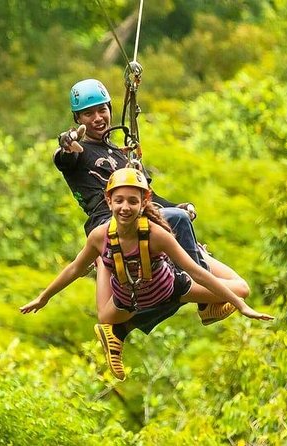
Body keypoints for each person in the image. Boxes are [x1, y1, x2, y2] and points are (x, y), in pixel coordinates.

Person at [20, 168, 274, 380]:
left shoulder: (157, 235)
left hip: (173, 289)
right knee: (104, 315)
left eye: (133, 201)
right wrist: (44, 297)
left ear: (145, 202)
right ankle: (105, 265)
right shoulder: (99, 236)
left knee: (241, 288)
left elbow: (195, 271)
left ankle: (203, 259)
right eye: (119, 201)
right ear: (108, 201)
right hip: (127, 302)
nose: (125, 207)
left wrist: (241, 306)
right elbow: (74, 268)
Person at [53, 80, 244, 332]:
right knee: (177, 222)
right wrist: (66, 143)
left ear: (110, 108)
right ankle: (204, 302)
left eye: (102, 110)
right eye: (88, 114)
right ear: (78, 118)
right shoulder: (78, 151)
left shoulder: (120, 153)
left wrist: (178, 206)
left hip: (139, 217)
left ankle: (123, 329)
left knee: (181, 279)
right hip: (109, 222)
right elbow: (65, 158)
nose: (97, 118)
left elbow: (146, 199)